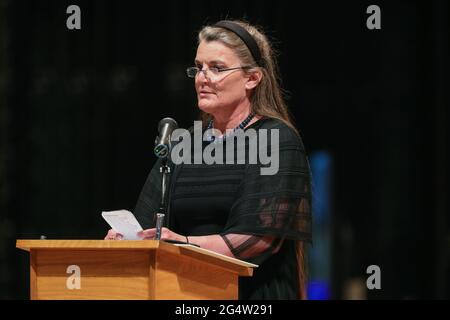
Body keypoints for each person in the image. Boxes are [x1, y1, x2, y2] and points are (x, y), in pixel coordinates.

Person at [105, 19, 312, 300]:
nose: (202, 78)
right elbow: (147, 226)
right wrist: (127, 240)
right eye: (199, 67)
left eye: (217, 68)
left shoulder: (275, 139)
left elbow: (256, 239)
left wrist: (184, 244)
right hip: (185, 295)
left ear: (252, 78)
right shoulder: (184, 143)